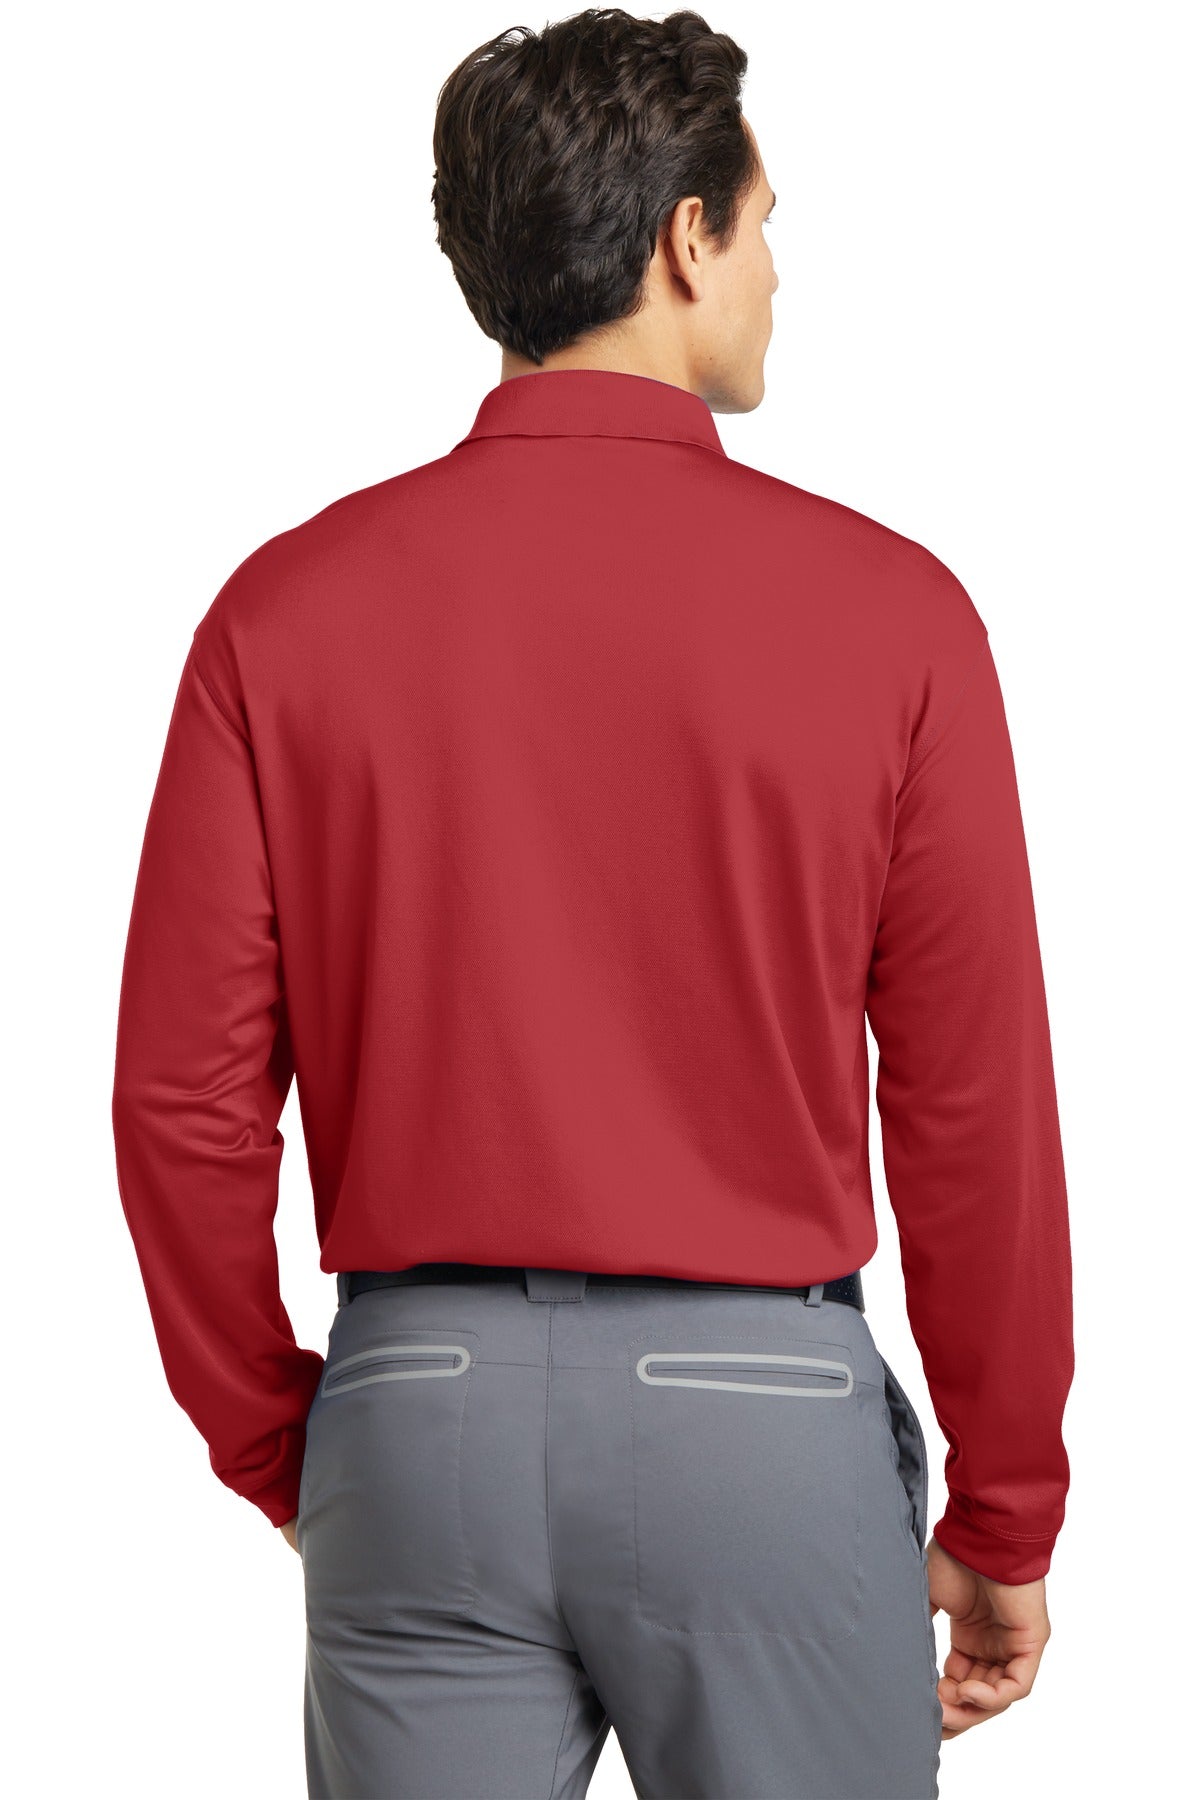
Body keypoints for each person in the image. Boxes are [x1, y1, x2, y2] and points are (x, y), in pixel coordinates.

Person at [111, 9, 1074, 1798]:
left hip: (417, 1418)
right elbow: (972, 1109)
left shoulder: (282, 613)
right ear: (685, 238)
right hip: (764, 1431)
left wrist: (284, 1437)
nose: (779, 271)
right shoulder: (896, 618)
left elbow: (182, 1102)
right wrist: (1007, 1502)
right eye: (766, 223)